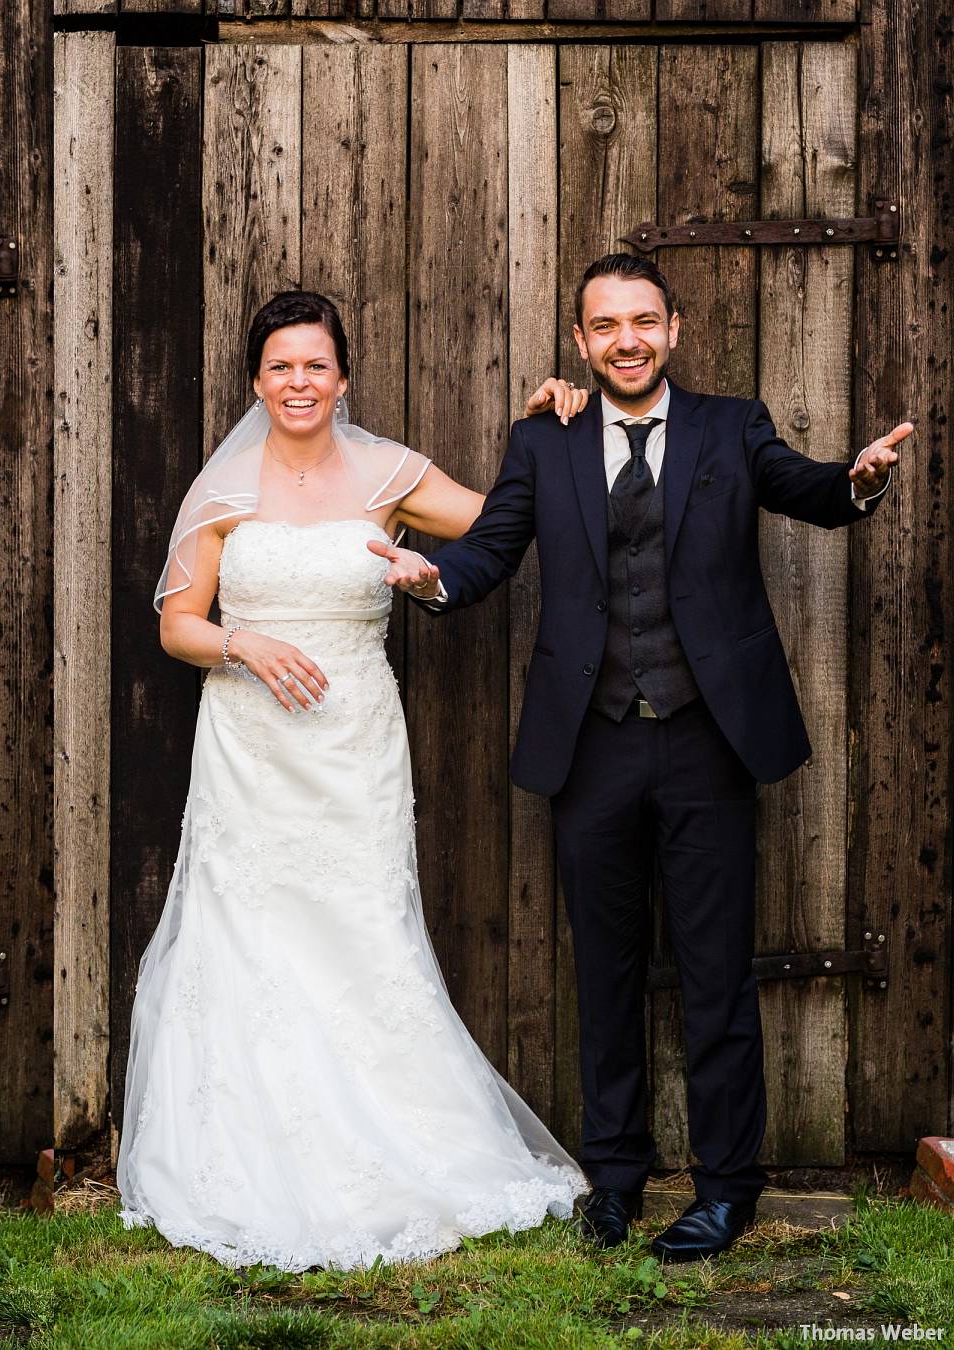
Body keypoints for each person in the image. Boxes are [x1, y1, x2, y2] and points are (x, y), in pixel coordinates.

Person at [371, 253, 906, 1262]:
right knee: (605, 977)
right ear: (580, 340)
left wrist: (857, 481)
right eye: (607, 323)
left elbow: (806, 489)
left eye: (644, 320)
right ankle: (613, 1183)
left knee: (714, 974)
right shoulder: (544, 439)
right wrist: (428, 576)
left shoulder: (730, 424)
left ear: (676, 328)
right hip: (593, 744)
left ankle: (726, 1189)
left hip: (710, 739)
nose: (627, 338)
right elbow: (489, 555)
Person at [116, 290, 591, 1271]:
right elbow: (177, 624)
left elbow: (510, 518)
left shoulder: (389, 474)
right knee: (252, 935)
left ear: (343, 377)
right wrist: (241, 641)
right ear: (258, 380)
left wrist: (544, 430)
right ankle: (249, 1146)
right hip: (252, 744)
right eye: (281, 366)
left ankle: (396, 1141)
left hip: (353, 739)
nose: (299, 382)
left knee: (361, 927)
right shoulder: (224, 488)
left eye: (316, 365)